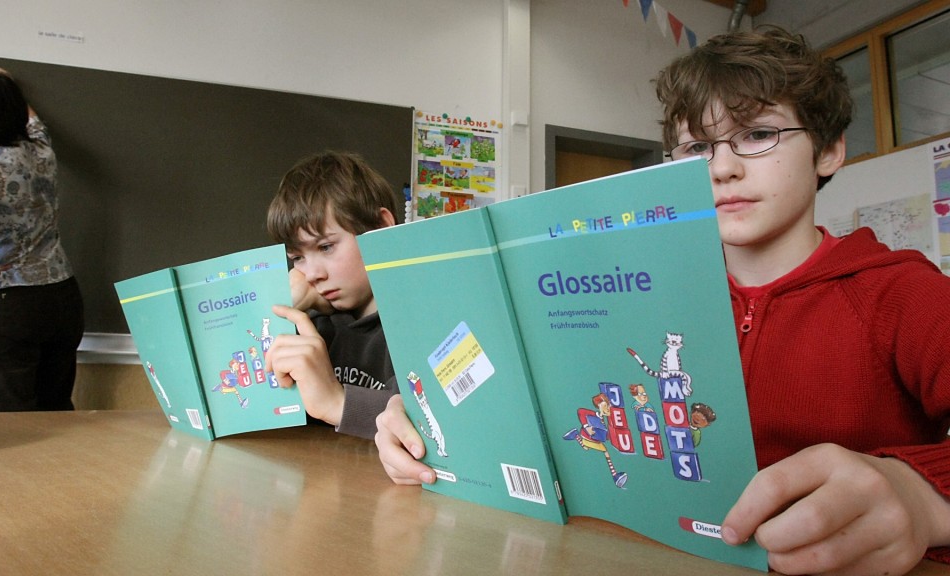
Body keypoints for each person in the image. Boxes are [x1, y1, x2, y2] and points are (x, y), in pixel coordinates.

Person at [374, 26, 950, 574]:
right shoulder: (639, 297)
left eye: (757, 134)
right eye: (696, 146)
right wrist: (432, 425)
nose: (721, 167)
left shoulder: (900, 293)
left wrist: (923, 498)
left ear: (828, 152)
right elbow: (555, 424)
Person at [0, 68, 84, 412]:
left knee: (7, 426)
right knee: (55, 414)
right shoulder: (41, 153)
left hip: (7, 304)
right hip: (62, 298)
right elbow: (36, 124)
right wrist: (8, 88)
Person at [264, 151, 398, 439]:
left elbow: (436, 425)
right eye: (297, 258)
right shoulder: (315, 325)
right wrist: (283, 303)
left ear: (381, 228)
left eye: (325, 247)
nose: (312, 273)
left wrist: (337, 402)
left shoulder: (420, 323)